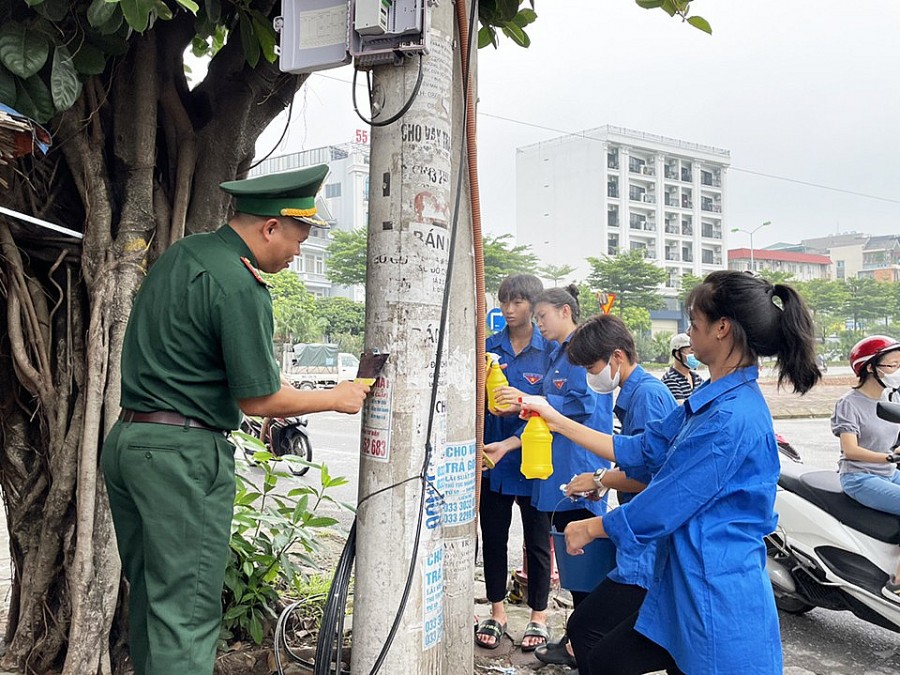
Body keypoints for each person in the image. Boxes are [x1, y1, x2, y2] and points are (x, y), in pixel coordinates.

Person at [101, 165, 371, 675]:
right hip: (182, 458)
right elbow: (259, 399)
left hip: (129, 443)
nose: (297, 253)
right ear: (270, 227)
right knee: (188, 613)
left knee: (153, 602)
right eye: (298, 237)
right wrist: (335, 398)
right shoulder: (240, 284)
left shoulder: (183, 254)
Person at [521, 270, 820, 675]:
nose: (688, 334)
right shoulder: (709, 403)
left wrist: (592, 528)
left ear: (722, 329)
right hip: (685, 580)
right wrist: (554, 418)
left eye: (694, 324)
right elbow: (643, 449)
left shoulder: (729, 418)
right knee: (603, 652)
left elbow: (666, 500)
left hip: (715, 591)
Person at [485, 284, 613, 669]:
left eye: (540, 315)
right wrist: (512, 436)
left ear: (562, 311)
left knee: (577, 555)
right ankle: (578, 640)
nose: (538, 323)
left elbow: (580, 407)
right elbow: (545, 416)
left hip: (577, 472)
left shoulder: (577, 354)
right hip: (549, 469)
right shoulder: (558, 353)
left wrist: (528, 401)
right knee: (571, 554)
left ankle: (583, 642)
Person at [476, 274, 555, 651]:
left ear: (534, 307)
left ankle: (539, 616)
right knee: (493, 536)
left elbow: (556, 411)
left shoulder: (550, 352)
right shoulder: (488, 349)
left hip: (534, 463)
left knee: (537, 542)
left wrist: (522, 400)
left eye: (518, 302)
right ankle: (497, 611)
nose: (509, 309)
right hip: (494, 461)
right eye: (504, 301)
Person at [562, 314, 678, 509]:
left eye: (591, 368)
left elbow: (650, 475)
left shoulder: (646, 397)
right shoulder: (636, 393)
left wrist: (599, 479)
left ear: (617, 356)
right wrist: (608, 482)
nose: (589, 376)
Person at [833, 335, 900, 602]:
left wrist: (893, 455)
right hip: (859, 477)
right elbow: (851, 450)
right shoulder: (849, 403)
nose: (897, 371)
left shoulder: (892, 399)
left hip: (888, 472)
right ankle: (895, 584)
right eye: (892, 365)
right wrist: (888, 458)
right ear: (871, 367)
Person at [660, 332, 702, 403]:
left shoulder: (697, 377)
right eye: (691, 352)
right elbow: (682, 410)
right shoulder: (670, 380)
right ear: (677, 355)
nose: (695, 356)